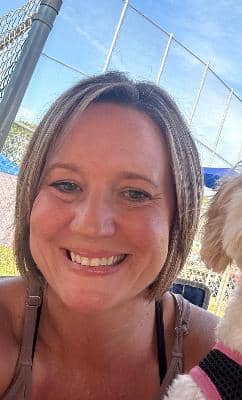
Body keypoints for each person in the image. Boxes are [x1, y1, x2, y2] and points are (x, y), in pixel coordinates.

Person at [0, 71, 218, 399]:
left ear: (179, 217)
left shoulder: (224, 362)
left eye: (135, 193)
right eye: (66, 185)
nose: (91, 226)